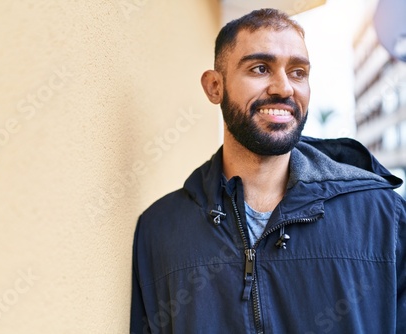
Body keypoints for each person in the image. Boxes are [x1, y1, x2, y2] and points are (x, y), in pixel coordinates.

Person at [130, 8, 406, 334]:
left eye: (298, 72)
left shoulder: (381, 215)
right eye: (261, 68)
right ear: (215, 86)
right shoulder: (160, 229)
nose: (284, 88)